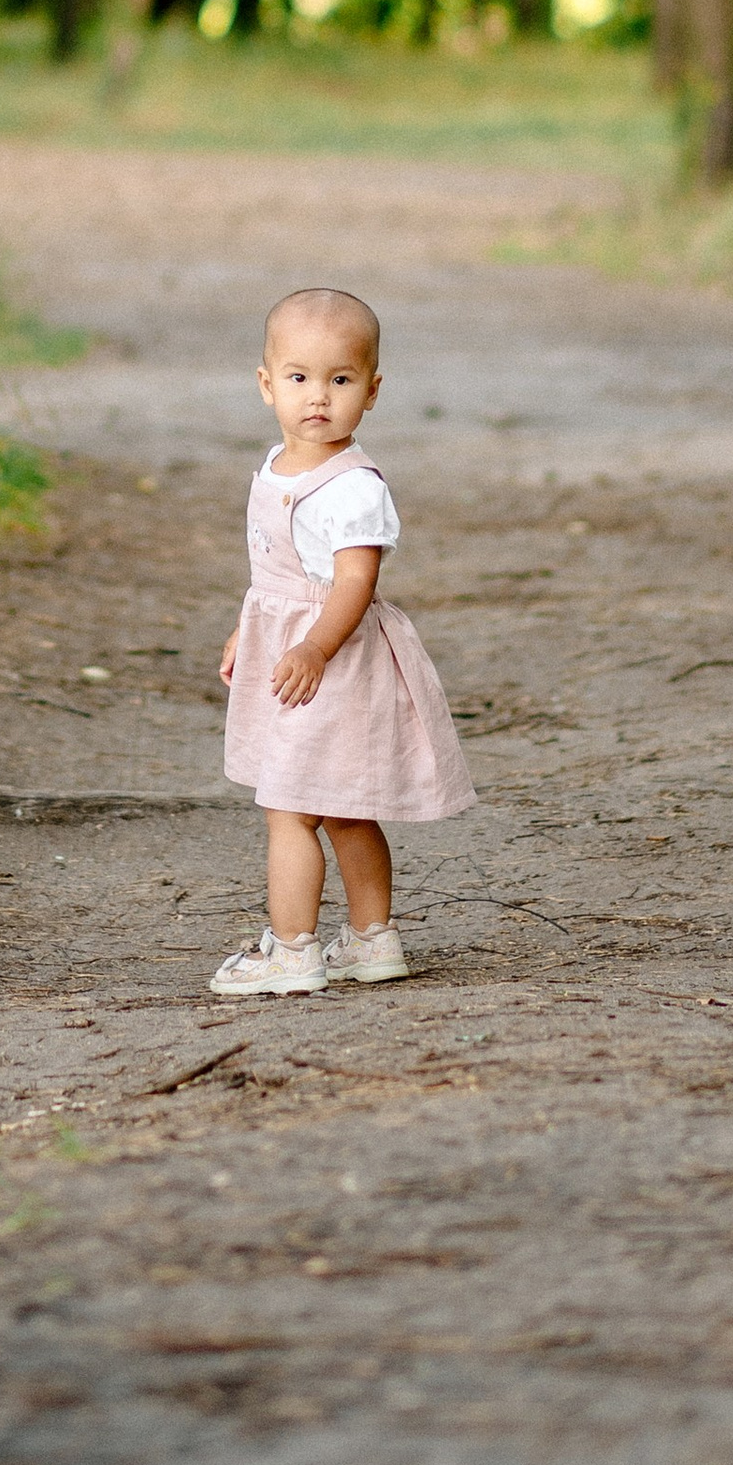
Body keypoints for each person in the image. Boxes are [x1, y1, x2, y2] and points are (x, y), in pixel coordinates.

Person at [212, 283, 473, 995]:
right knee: (338, 805)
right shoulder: (276, 466)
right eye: (299, 378)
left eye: (341, 379)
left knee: (293, 806)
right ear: (267, 385)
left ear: (373, 390)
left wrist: (313, 648)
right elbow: (278, 570)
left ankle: (295, 951)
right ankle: (372, 939)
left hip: (335, 658)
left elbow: (353, 584)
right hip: (295, 647)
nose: (318, 396)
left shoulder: (353, 487)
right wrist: (250, 629)